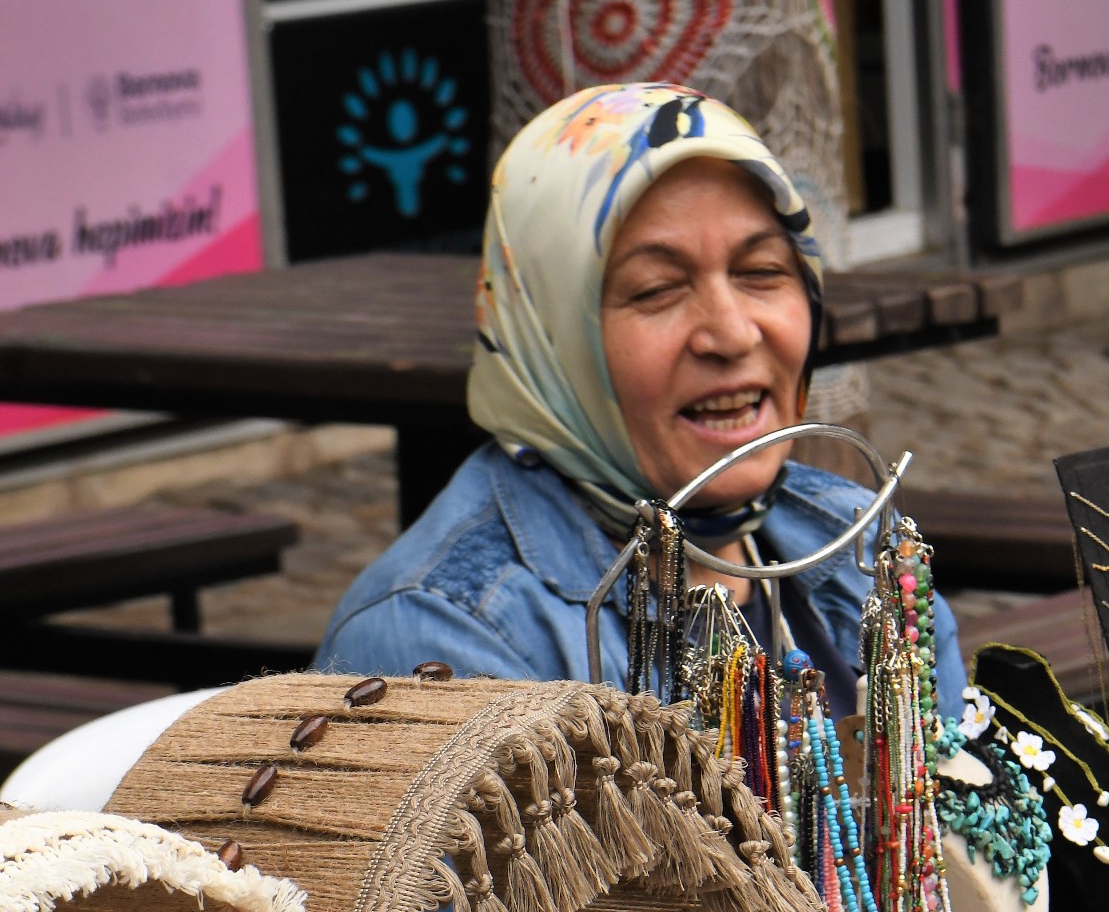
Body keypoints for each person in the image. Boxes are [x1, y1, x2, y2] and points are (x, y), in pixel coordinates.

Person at [318, 84, 962, 707]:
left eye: (762, 272)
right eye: (657, 289)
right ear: (550, 338)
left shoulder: (859, 544)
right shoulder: (442, 641)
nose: (732, 334)